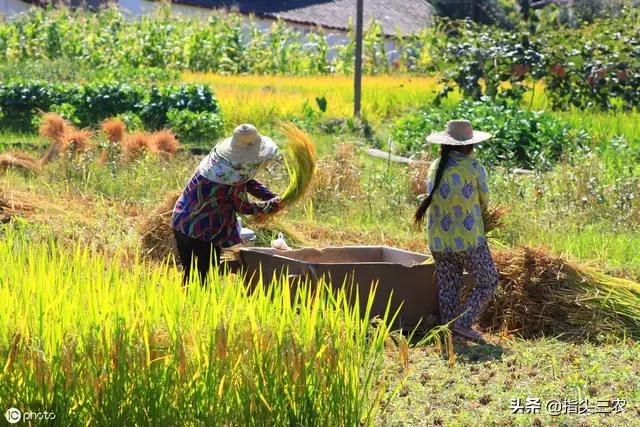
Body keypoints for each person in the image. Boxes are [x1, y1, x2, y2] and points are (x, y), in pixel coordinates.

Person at [414, 120, 499, 343]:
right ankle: (462, 323)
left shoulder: (435, 165)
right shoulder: (474, 167)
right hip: (469, 239)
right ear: (469, 145)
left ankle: (449, 333)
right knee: (488, 280)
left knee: (449, 285)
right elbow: (484, 200)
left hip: (438, 240)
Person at [172, 124, 282, 285]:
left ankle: (187, 307)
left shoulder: (223, 162)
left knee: (191, 275)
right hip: (202, 230)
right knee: (203, 278)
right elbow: (243, 207)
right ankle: (196, 308)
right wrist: (271, 206)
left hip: (181, 220)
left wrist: (270, 196)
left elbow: (248, 181)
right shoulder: (231, 175)